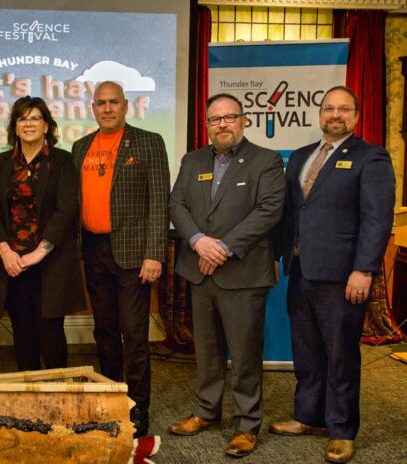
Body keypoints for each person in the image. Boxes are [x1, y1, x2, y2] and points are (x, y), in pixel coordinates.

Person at [271, 86, 395, 463]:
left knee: (341, 355)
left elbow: (377, 219)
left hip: (343, 276)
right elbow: (292, 213)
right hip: (301, 270)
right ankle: (308, 417)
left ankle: (342, 429)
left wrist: (364, 269)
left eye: (344, 109)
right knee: (306, 351)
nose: (335, 115)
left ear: (355, 117)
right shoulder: (302, 157)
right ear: (319, 113)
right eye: (329, 108)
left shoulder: (371, 157)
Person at [168, 93, 285, 457]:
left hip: (243, 273)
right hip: (200, 271)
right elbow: (177, 205)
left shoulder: (265, 161)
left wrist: (223, 248)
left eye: (230, 117)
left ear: (243, 120)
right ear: (207, 124)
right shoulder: (192, 160)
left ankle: (247, 424)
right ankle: (207, 411)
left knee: (246, 353)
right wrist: (200, 242)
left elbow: (269, 211)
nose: (222, 124)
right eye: (215, 119)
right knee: (207, 349)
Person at [71, 81, 169, 437]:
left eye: (114, 102)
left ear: (126, 106)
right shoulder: (80, 147)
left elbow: (159, 201)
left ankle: (138, 407)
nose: (107, 109)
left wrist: (154, 253)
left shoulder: (148, 142)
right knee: (105, 332)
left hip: (133, 255)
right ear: (92, 108)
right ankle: (112, 401)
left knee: (135, 335)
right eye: (101, 103)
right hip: (94, 252)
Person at [0, 96, 83, 371]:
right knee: (22, 333)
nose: (28, 123)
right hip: (12, 264)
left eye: (35, 118)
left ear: (46, 126)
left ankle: (57, 401)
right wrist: (6, 252)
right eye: (22, 118)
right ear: (14, 127)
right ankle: (28, 402)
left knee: (51, 333)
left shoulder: (62, 161)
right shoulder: (2, 162)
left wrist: (38, 254)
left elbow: (65, 211)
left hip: (50, 263)